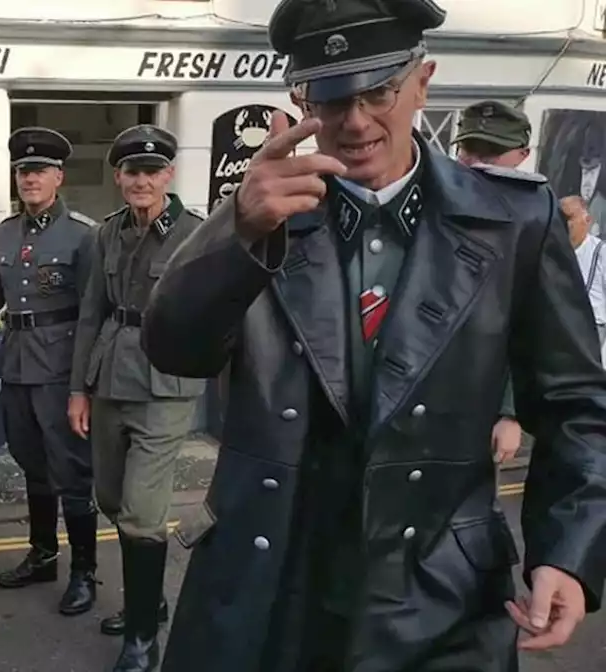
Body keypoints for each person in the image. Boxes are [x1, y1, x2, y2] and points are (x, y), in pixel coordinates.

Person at [143, 0, 606, 669]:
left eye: (379, 90)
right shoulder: (260, 216)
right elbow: (173, 349)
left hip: (440, 596)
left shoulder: (512, 221)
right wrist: (237, 228)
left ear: (423, 81)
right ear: (300, 101)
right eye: (331, 99)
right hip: (273, 584)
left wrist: (568, 550)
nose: (355, 120)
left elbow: (577, 408)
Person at [0, 127, 99, 616]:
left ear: (58, 176)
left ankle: (84, 572)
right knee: (32, 463)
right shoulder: (5, 232)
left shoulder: (84, 233)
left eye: (38, 171)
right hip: (14, 364)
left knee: (72, 471)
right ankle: (43, 554)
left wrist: (84, 384)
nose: (29, 179)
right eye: (22, 171)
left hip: (61, 370)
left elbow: (95, 312)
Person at [67, 125, 202, 672]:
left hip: (165, 384)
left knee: (144, 513)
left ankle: (142, 640)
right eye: (131, 171)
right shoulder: (106, 233)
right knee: (113, 501)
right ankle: (153, 600)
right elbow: (90, 313)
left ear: (169, 175)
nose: (141, 181)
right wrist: (79, 388)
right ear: (118, 176)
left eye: (152, 171)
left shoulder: (196, 231)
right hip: (110, 378)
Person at [453, 99, 534, 464]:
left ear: (521, 155)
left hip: (479, 404)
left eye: (492, 153)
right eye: (470, 149)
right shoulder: (431, 205)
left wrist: (510, 412)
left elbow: (535, 327)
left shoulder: (533, 224)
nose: (477, 163)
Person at [562, 195, 606, 361]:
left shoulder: (601, 252)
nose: (565, 225)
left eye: (570, 218)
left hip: (592, 331)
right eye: (560, 219)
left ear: (587, 220)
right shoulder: (552, 251)